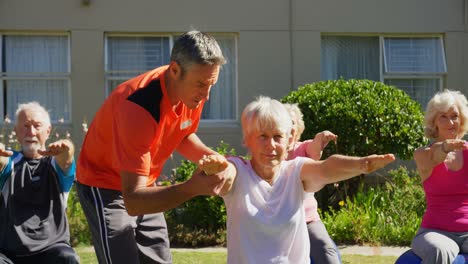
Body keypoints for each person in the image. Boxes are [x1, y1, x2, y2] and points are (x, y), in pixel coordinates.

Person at [76, 30, 228, 264]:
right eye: (200, 84)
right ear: (175, 70)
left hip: (142, 183)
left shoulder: (191, 93)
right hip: (104, 183)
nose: (206, 96)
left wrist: (214, 159)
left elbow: (182, 134)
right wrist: (191, 188)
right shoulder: (140, 107)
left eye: (212, 84)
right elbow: (134, 201)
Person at [198, 96, 395, 264]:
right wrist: (218, 169)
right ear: (246, 139)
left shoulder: (296, 171)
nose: (271, 145)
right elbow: (228, 176)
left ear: (289, 140)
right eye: (262, 136)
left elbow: (326, 168)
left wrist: (362, 164)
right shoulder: (238, 170)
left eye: (278, 136)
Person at [0, 102, 79, 264]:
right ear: (16, 131)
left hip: (52, 249)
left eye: (37, 126)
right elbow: (2, 161)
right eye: (26, 126)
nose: (31, 132)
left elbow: (66, 157)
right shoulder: (10, 161)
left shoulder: (55, 165)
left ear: (48, 130)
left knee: (68, 258)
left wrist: (67, 148)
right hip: (10, 254)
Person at [411, 89, 468, 264]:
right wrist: (445, 148)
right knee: (440, 251)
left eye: (455, 116)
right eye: (443, 116)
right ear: (434, 122)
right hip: (435, 232)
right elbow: (434, 158)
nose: (450, 122)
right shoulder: (422, 154)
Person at [283, 103, 341, 264]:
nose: (289, 127)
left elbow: (314, 150)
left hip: (307, 219)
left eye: (292, 122)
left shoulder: (302, 148)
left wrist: (320, 138)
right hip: (279, 222)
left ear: (299, 128)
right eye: (284, 122)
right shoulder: (269, 153)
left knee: (325, 248)